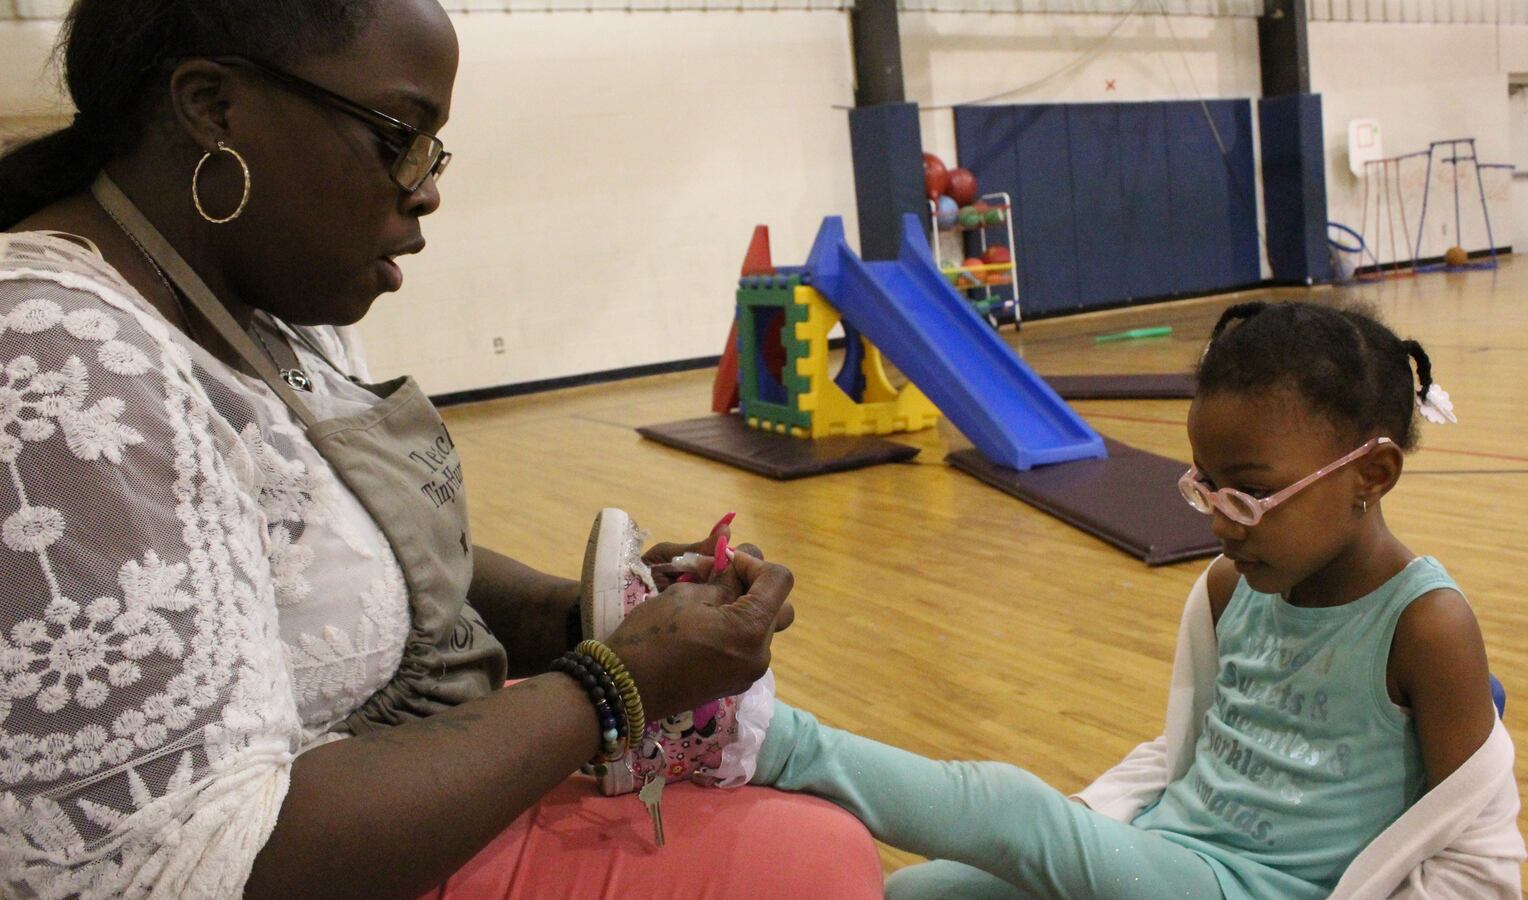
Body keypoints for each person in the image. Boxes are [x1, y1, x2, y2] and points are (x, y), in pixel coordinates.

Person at [0, 2, 886, 898]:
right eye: (400, 137)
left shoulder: (265, 312)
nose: (424, 188)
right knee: (820, 858)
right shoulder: (60, 360)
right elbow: (196, 860)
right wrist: (614, 683)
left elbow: (353, 566)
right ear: (213, 107)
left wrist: (589, 614)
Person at [747, 301, 1526, 898]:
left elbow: (1480, 853)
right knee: (922, 889)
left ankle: (753, 736)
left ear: (1373, 473)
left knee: (1017, 814)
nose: (1223, 521)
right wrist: (1106, 826)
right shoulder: (1230, 588)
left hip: (1240, 890)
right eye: (1206, 488)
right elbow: (1188, 753)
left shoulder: (1426, 624)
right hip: (1163, 856)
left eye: (1251, 495)